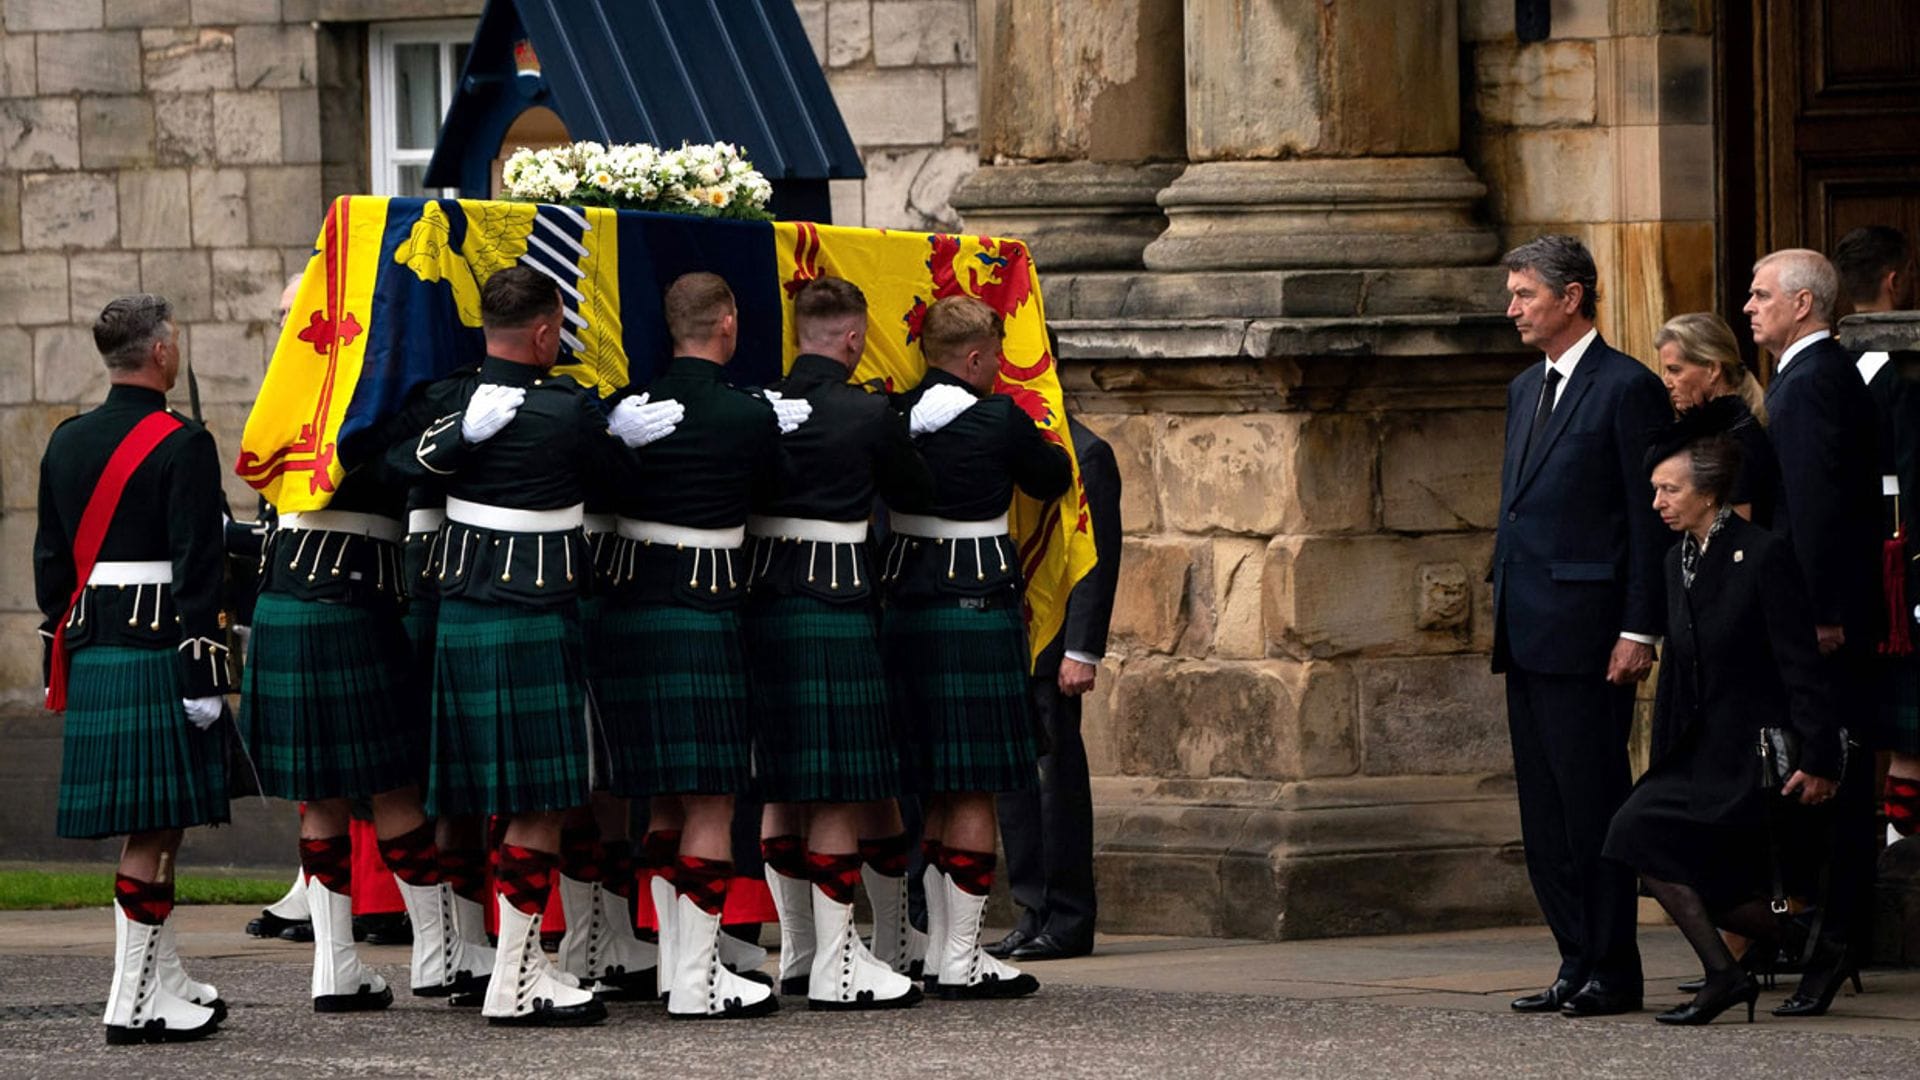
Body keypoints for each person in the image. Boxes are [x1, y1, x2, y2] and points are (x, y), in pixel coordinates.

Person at [400, 265, 681, 1026]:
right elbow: (620, 483)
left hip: (464, 615)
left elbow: (406, 466)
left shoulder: (452, 400)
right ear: (545, 331)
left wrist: (459, 432)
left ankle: (506, 964)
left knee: (494, 798)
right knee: (543, 801)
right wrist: (615, 435)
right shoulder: (565, 410)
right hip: (532, 615)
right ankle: (517, 978)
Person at [595, 271, 799, 1020]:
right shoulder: (746, 416)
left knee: (660, 800)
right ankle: (695, 978)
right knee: (711, 795)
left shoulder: (626, 411)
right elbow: (778, 492)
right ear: (729, 324)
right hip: (705, 606)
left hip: (628, 606)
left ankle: (679, 966)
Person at [1604, 404, 1844, 1025]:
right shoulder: (1674, 560)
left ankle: (1746, 967)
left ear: (1709, 493)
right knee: (1640, 839)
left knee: (1650, 842)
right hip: (1699, 747)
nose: (1657, 501)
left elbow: (1801, 667)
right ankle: (1801, 949)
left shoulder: (1762, 555)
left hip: (1752, 750)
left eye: (1670, 489)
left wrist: (1818, 758)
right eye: (1654, 489)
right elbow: (1683, 670)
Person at [36, 295, 233, 1044]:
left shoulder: (66, 440)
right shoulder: (183, 443)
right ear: (159, 354)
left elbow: (52, 565)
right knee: (150, 833)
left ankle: (163, 977)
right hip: (159, 647)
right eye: (174, 341)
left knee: (164, 828)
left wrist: (65, 639)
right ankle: (130, 1000)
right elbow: (197, 564)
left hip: (96, 648)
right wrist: (204, 667)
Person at [1491, 235, 1669, 1018]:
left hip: (1592, 634)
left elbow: (1646, 520)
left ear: (1573, 296)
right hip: (1526, 629)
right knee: (1544, 813)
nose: (1513, 309)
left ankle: (1613, 967)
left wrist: (1640, 629)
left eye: (1525, 293)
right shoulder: (1525, 389)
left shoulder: (1627, 386)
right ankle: (1572, 959)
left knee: (1592, 804)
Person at [747, 275, 935, 1009]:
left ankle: (799, 951)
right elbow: (915, 492)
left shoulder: (757, 409)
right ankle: (835, 961)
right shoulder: (865, 412)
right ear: (854, 338)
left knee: (782, 778)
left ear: (800, 333)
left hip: (762, 601)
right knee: (834, 781)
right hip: (834, 601)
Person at [884, 294, 1073, 1000]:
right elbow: (1051, 479)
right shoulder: (996, 416)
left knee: (933, 780)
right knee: (972, 785)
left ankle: (937, 949)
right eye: (994, 356)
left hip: (904, 605)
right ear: (972, 358)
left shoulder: (895, 416)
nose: (999, 367)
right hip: (974, 606)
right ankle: (959, 957)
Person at [1748, 247, 1885, 1016]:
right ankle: (1818, 943)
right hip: (1822, 612)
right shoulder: (1813, 377)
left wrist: (1821, 614)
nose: (1749, 305)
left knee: (1828, 780)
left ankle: (1829, 948)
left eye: (1762, 294)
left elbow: (1817, 509)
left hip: (1822, 622)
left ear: (1804, 305)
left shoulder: (1809, 384)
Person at [989, 414, 1122, 962]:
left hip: (1056, 643)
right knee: (1016, 787)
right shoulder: (1010, 442)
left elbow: (1096, 557)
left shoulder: (1087, 451)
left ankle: (1068, 916)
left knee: (1056, 784)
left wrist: (1081, 648)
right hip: (1014, 634)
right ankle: (1032, 909)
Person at [1831, 226, 1920, 835]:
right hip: (1897, 560)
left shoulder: (1822, 363)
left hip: (1846, 557)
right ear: (1895, 280)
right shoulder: (1907, 369)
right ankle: (1895, 851)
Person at [1653, 313, 1778, 528]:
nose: (1667, 382)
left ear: (1712, 369)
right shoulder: (1709, 430)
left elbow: (1737, 537)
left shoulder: (1736, 439)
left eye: (1675, 370)